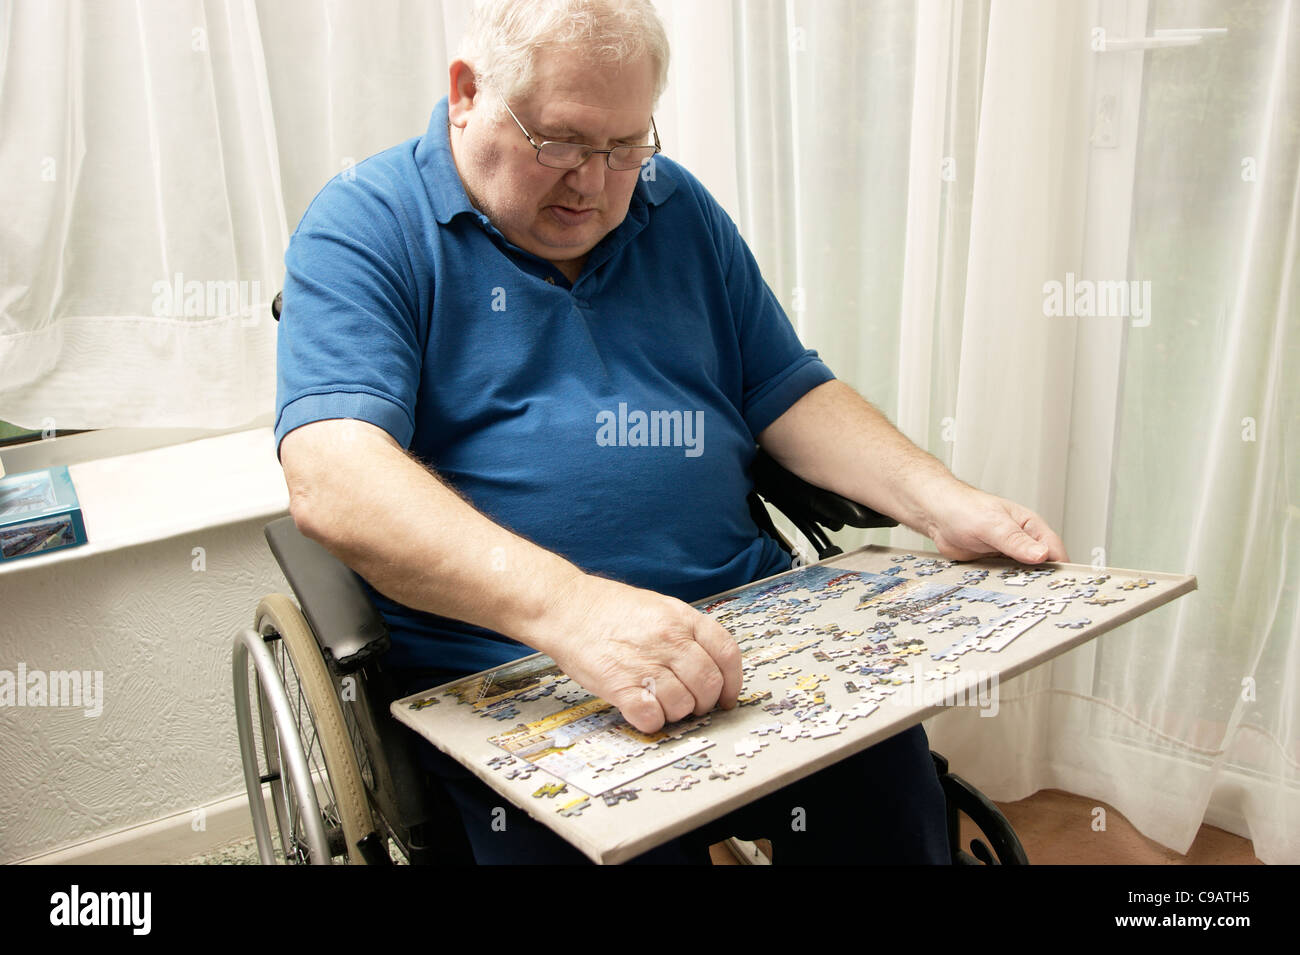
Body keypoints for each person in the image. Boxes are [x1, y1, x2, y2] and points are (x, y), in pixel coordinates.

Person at [275, 0, 1067, 864]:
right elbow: (332, 473)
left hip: (748, 630)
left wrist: (940, 499)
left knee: (894, 807)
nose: (593, 183)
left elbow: (785, 388)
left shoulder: (672, 203)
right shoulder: (365, 223)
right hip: (517, 670)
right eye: (562, 142)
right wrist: (576, 612)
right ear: (467, 93)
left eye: (623, 147)